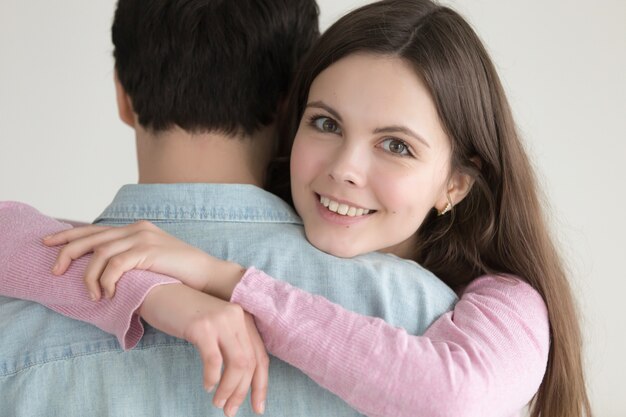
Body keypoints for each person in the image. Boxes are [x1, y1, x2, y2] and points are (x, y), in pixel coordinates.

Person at [3, 0, 593, 416]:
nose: (345, 169)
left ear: (457, 184)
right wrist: (158, 293)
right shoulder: (108, 259)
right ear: (292, 112)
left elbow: (448, 396)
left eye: (396, 145)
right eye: (328, 123)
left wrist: (225, 280)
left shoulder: (477, 321)